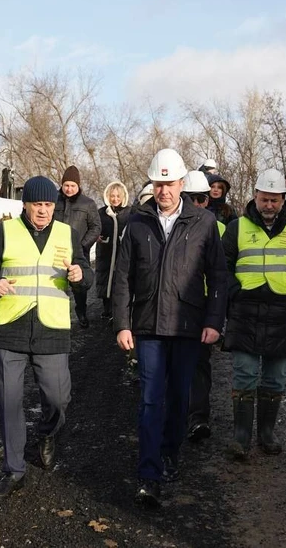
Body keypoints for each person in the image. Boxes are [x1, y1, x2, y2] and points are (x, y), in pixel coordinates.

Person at [113, 149, 226, 507]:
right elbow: (121, 278)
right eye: (159, 183)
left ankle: (169, 455)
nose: (164, 190)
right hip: (147, 326)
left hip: (188, 326)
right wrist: (122, 323)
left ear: (182, 184)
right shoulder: (136, 223)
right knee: (150, 400)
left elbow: (219, 277)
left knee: (179, 398)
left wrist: (213, 320)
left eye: (171, 183)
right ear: (153, 184)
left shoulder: (203, 223)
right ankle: (148, 474)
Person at [0, 176, 93, 501]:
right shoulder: (4, 231)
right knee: (9, 402)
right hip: (11, 325)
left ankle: (47, 433)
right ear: (25, 204)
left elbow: (86, 274)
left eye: (48, 204)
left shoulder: (68, 234)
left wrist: (80, 276)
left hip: (51, 329)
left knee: (57, 398)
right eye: (37, 204)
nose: (43, 211)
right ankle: (13, 470)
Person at [222, 168, 286, 461]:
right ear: (255, 196)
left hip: (281, 312)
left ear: (282, 199)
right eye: (264, 199)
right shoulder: (237, 228)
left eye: (274, 200)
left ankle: (266, 433)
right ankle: (241, 437)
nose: (269, 205)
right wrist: (234, 292)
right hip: (244, 312)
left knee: (276, 378)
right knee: (245, 374)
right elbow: (221, 265)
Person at [184, 170, 225, 443]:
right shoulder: (168, 227)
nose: (197, 204)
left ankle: (198, 418)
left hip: (203, 307)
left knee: (199, 364)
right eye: (191, 198)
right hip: (174, 310)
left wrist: (216, 317)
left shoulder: (217, 228)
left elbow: (221, 275)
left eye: (201, 199)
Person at [54, 166, 101, 327]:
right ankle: (56, 315)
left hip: (79, 252)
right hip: (56, 251)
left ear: (78, 186)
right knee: (56, 283)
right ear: (62, 185)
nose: (69, 189)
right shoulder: (54, 200)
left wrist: (82, 245)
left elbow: (96, 227)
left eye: (73, 186)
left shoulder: (88, 204)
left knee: (79, 286)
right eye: (66, 185)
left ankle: (81, 311)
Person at [96, 181, 132, 320]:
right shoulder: (101, 213)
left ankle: (119, 311)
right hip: (106, 252)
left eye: (118, 196)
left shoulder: (130, 213)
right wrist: (97, 237)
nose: (115, 199)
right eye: (112, 196)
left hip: (123, 252)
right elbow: (94, 227)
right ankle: (106, 309)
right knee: (105, 279)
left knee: (120, 279)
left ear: (123, 197)